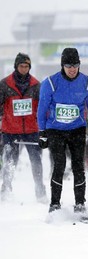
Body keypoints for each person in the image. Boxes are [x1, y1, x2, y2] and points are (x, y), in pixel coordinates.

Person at [37, 47, 88, 214]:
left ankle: (80, 203)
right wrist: (42, 132)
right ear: (62, 66)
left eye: (75, 65)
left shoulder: (87, 83)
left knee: (78, 166)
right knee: (59, 165)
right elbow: (42, 109)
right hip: (55, 130)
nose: (72, 69)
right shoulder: (50, 83)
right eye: (68, 66)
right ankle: (54, 204)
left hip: (77, 129)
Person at [0, 53, 46, 202]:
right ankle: (6, 191)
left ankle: (40, 192)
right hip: (10, 131)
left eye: (27, 66)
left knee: (36, 161)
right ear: (16, 66)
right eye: (21, 66)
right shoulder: (5, 84)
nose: (24, 69)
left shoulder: (36, 85)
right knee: (9, 162)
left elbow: (42, 107)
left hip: (31, 130)